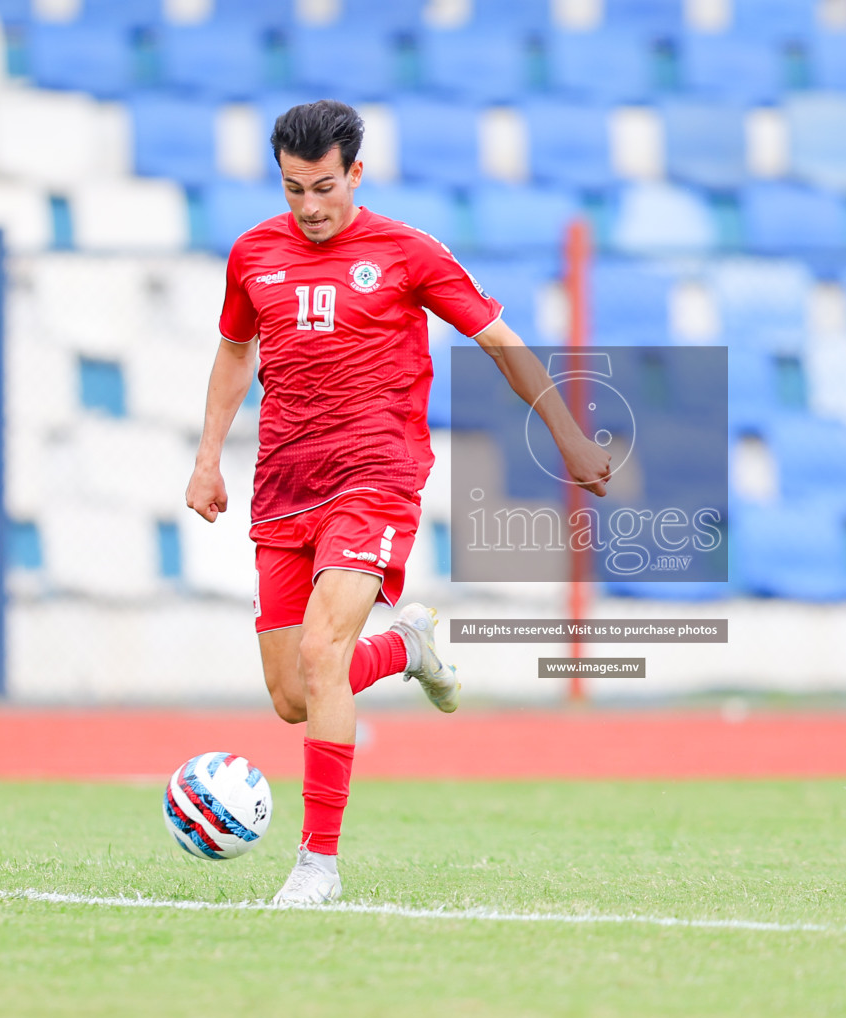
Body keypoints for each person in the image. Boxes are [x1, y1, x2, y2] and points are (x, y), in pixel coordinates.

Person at [185, 100, 611, 905]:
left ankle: (318, 866)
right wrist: (209, 459)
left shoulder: (408, 253)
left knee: (322, 653)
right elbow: (236, 353)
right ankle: (410, 648)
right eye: (292, 190)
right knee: (292, 697)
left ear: (355, 173)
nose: (309, 208)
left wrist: (567, 433)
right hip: (284, 482)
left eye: (323, 187)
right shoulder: (252, 255)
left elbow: (501, 344)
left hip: (375, 472)